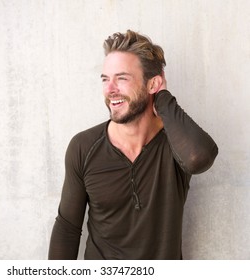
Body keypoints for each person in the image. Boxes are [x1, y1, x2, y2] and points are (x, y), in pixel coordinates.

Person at [48, 30, 218, 260]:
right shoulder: (84, 147)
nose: (110, 90)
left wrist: (164, 99)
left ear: (153, 84)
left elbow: (200, 157)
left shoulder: (176, 142)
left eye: (122, 78)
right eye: (105, 79)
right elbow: (67, 229)